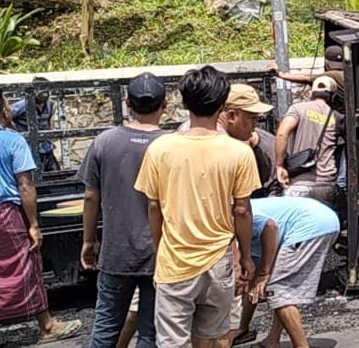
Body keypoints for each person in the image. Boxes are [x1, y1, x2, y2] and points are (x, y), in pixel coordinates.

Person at [134, 66, 261, 348]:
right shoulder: (239, 152)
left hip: (175, 260)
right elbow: (241, 210)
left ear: (184, 103)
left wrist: (159, 248)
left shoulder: (160, 148)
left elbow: (153, 208)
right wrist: (247, 258)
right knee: (210, 338)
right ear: (222, 104)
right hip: (219, 261)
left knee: (172, 341)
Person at [78, 73, 168, 348]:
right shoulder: (171, 144)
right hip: (160, 252)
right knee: (150, 333)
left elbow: (91, 196)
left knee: (105, 329)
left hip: (116, 252)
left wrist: (88, 240)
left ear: (127, 102)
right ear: (164, 105)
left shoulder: (104, 141)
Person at [0, 95, 82, 343]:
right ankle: (46, 326)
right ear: (5, 110)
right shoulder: (12, 141)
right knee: (27, 264)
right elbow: (25, 186)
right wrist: (34, 224)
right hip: (6, 212)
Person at [227, 196, 339, 348]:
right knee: (274, 286)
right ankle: (272, 340)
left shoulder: (236, 216)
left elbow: (270, 227)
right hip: (321, 222)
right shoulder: (241, 234)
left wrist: (265, 272)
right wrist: (241, 328)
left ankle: (301, 346)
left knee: (278, 288)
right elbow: (251, 283)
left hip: (310, 225)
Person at [275, 75, 340, 206]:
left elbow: (282, 133)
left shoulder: (298, 109)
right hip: (326, 184)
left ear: (311, 93)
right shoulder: (336, 117)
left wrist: (279, 165)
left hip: (300, 183)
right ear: (333, 97)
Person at [10, 77, 59, 172]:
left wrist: (50, 138)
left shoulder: (50, 104)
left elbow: (47, 121)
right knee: (33, 179)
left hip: (46, 149)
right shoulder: (22, 106)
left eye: (46, 89)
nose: (44, 93)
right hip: (29, 151)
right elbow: (6, 117)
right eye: (41, 89)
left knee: (57, 176)